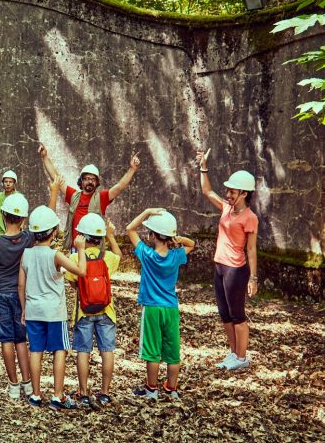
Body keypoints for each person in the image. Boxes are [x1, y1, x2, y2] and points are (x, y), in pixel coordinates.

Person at [0, 176, 63, 399]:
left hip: (0, 294)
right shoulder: (28, 238)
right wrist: (53, 191)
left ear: (3, 215)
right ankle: (28, 383)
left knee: (6, 339)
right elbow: (47, 220)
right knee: (21, 339)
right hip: (23, 295)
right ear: (23, 218)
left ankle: (13, 386)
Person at [19, 205, 87, 410]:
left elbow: (21, 285)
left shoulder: (26, 254)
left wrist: (23, 309)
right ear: (54, 232)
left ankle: (36, 395)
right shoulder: (55, 255)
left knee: (36, 350)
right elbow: (81, 271)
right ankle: (57, 396)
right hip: (54, 312)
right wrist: (81, 249)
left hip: (33, 310)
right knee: (60, 350)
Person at [196, 149, 258, 371]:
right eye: (229, 191)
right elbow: (207, 190)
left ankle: (242, 357)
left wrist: (253, 278)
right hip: (220, 266)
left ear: (244, 193)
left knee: (237, 315)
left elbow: (251, 250)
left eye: (232, 191)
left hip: (235, 270)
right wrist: (204, 167)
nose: (229, 194)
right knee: (225, 314)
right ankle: (233, 353)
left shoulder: (250, 218)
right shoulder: (226, 208)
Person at [126, 209, 195, 400]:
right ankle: (171, 389)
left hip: (152, 307)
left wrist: (147, 212)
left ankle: (152, 389)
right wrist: (177, 239)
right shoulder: (176, 256)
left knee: (152, 349)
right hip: (171, 308)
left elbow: (130, 229)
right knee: (173, 350)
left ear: (152, 235)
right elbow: (192, 244)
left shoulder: (147, 255)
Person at [63, 214, 122, 409]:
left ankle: (84, 393)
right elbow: (119, 256)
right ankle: (105, 393)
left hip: (83, 311)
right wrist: (112, 237)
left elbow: (73, 282)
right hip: (107, 311)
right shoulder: (108, 259)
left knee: (83, 351)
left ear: (82, 236)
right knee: (107, 350)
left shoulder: (73, 258)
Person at [38, 144, 141, 248]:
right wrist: (45, 157)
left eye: (93, 179)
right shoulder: (73, 195)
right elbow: (56, 178)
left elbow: (120, 186)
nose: (90, 182)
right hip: (74, 248)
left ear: (97, 183)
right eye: (87, 178)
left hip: (93, 250)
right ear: (81, 181)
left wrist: (132, 169)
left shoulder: (102, 197)